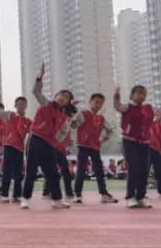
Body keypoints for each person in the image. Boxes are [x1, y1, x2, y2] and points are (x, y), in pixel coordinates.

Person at [113, 84, 161, 209]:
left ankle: (141, 197)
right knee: (134, 168)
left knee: (144, 171)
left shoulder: (149, 108)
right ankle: (130, 197)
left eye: (144, 93)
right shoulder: (127, 107)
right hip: (130, 141)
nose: (142, 95)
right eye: (139, 93)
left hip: (145, 143)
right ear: (132, 95)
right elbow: (117, 106)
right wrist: (117, 95)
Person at [19, 63, 74, 211]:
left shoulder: (64, 116)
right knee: (31, 170)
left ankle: (57, 200)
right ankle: (24, 199)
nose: (63, 98)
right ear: (56, 96)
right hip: (35, 138)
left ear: (68, 102)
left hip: (49, 144)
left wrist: (55, 141)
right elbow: (36, 91)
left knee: (53, 172)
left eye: (67, 97)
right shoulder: (46, 103)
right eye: (62, 95)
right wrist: (39, 77)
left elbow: (63, 132)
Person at [71, 93, 117, 204]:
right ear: (90, 102)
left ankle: (104, 194)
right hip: (83, 146)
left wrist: (103, 139)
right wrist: (73, 118)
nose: (98, 105)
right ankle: (77, 194)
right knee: (81, 170)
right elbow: (73, 126)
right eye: (96, 102)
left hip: (95, 147)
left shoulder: (101, 118)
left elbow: (111, 130)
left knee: (99, 171)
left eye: (101, 103)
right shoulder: (84, 114)